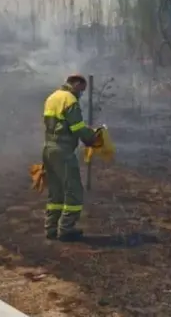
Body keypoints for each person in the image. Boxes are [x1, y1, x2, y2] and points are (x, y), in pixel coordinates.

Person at [42, 74, 101, 242]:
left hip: (48, 148)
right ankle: (66, 229)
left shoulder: (52, 97)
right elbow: (77, 127)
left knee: (56, 191)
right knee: (73, 190)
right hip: (63, 151)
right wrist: (92, 137)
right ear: (75, 84)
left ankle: (51, 228)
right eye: (81, 90)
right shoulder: (69, 100)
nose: (81, 94)